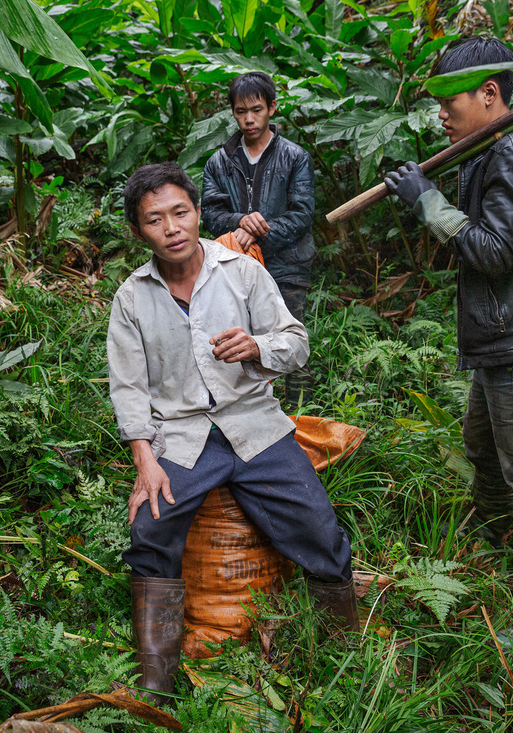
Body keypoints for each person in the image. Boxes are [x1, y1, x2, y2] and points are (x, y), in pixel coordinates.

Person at [108, 162, 356, 704]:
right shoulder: (131, 297)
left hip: (255, 425)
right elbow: (128, 388)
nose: (171, 227)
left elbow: (296, 342)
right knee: (151, 530)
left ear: (198, 213)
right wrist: (145, 463)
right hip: (183, 435)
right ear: (138, 231)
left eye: (180, 212)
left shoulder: (241, 273)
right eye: (155, 219)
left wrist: (258, 347)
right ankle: (158, 680)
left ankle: (342, 651)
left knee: (316, 524)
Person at [384, 37, 513, 590]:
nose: (442, 117)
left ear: (490, 93)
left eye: (450, 104)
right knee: (484, 447)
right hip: (502, 336)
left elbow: (495, 252)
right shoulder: (489, 149)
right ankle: (493, 551)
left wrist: (427, 199)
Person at [200, 71, 316, 409]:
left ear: (272, 108)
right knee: (243, 343)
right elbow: (210, 214)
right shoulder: (219, 161)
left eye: (257, 109)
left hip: (287, 266)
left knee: (292, 341)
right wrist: (240, 221)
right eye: (240, 111)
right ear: (232, 112)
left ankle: (300, 414)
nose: (249, 119)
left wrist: (254, 233)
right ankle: (255, 415)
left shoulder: (295, 157)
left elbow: (301, 215)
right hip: (235, 267)